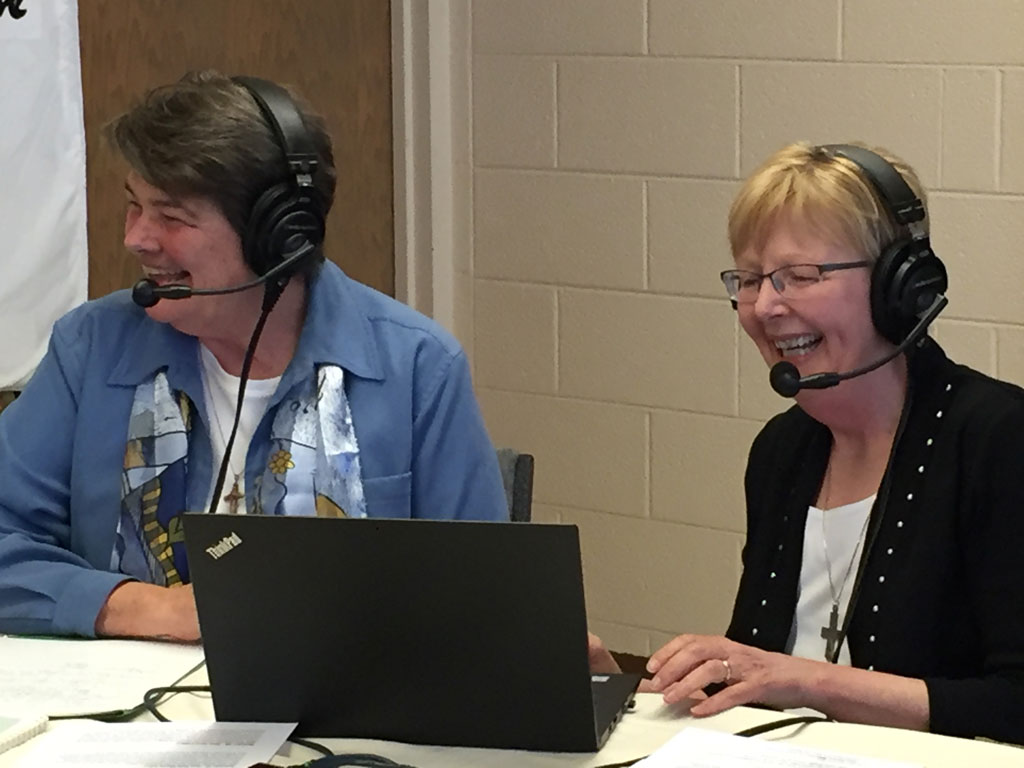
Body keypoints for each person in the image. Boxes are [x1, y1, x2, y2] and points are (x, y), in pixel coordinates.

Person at [0, 71, 508, 641]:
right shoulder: (92, 347)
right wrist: (145, 608)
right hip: (125, 716)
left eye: (171, 217)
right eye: (133, 207)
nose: (137, 238)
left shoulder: (416, 366)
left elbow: (481, 600)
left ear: (277, 236)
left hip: (337, 718)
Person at [599, 142, 1024, 744]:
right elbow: (761, 675)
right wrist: (627, 691)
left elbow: (1016, 702)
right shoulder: (783, 450)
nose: (766, 307)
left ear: (900, 285)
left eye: (799, 276)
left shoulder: (998, 439)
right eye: (749, 280)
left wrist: (807, 682)